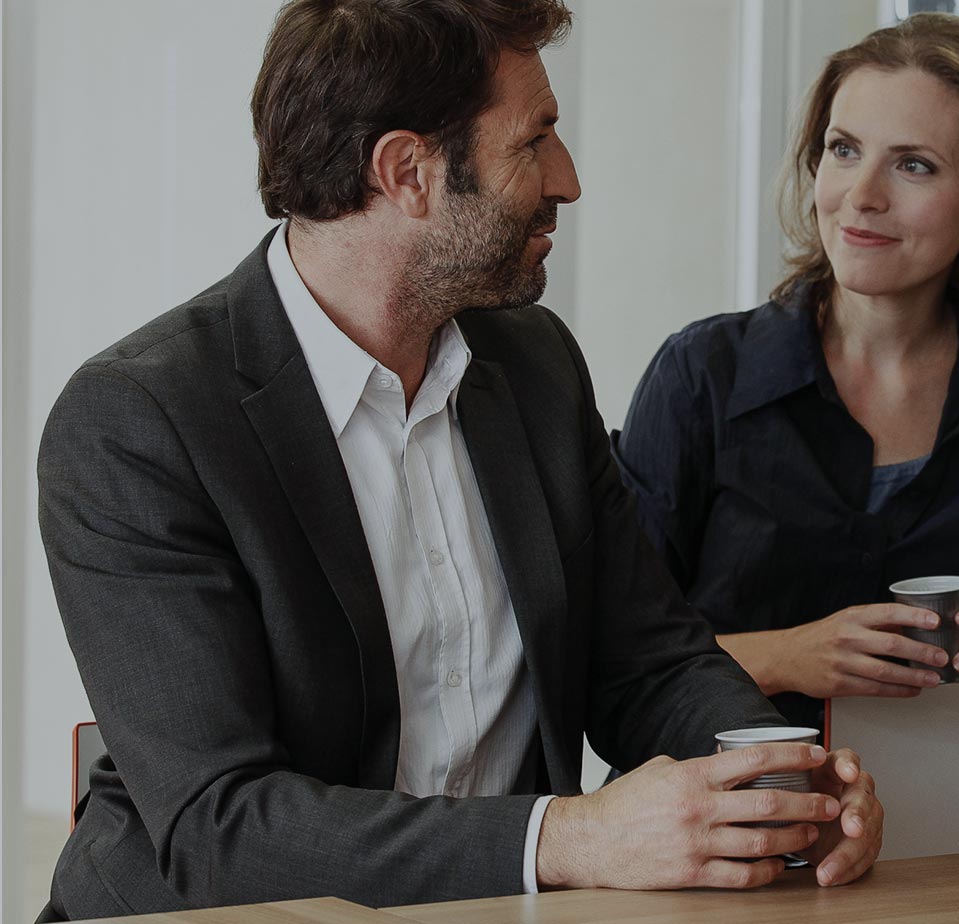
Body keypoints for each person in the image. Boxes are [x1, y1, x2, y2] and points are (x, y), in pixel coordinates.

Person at [36, 2, 881, 919]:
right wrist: (569, 837)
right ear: (408, 171)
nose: (568, 179)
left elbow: (651, 664)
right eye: (536, 140)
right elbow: (217, 825)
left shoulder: (536, 364)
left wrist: (784, 782)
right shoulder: (138, 420)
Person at [612, 13, 959, 729]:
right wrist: (786, 655)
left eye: (913, 164)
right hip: (716, 822)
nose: (861, 195)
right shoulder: (701, 376)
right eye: (843, 150)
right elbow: (609, 665)